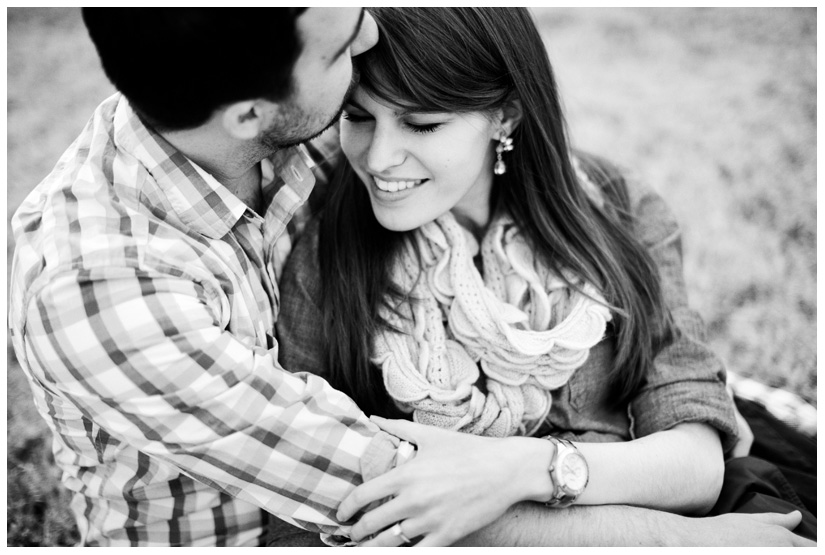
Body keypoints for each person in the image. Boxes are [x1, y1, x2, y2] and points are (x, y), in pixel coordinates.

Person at [8, 7, 557, 547]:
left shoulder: (253, 121)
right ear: (250, 114)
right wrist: (603, 488)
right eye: (340, 47)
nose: (370, 34)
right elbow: (411, 499)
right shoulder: (99, 294)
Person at [271, 7, 816, 547]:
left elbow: (696, 463)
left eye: (422, 123)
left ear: (505, 117)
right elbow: (324, 515)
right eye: (358, 116)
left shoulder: (618, 206)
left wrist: (514, 471)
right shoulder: (320, 259)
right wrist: (670, 537)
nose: (381, 157)